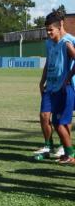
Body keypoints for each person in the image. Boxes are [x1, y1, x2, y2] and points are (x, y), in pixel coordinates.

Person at [33, 11, 72, 158]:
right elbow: (49, 61)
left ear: (61, 24)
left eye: (51, 29)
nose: (48, 32)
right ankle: (48, 146)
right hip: (50, 85)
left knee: (62, 119)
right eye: (47, 29)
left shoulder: (69, 41)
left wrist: (69, 79)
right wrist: (43, 80)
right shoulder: (48, 42)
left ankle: (65, 147)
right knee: (44, 115)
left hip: (64, 87)